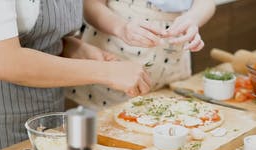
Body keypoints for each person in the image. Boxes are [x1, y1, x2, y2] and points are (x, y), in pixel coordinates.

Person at [0, 0, 151, 150]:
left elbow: (41, 38)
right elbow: (4, 62)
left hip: (47, 111)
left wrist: (76, 49)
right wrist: (107, 73)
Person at [66, 0, 216, 110]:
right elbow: (90, 5)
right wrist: (121, 28)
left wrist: (192, 19)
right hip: (116, 51)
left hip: (171, 60)